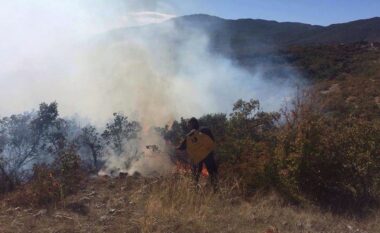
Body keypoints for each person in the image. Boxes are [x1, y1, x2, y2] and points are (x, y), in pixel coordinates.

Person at [177, 117, 218, 189]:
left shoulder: (189, 135)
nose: (188, 127)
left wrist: (175, 148)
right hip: (209, 156)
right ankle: (215, 189)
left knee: (196, 175)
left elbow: (182, 147)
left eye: (189, 125)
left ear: (192, 124)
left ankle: (195, 189)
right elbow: (212, 141)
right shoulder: (206, 129)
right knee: (213, 174)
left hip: (198, 158)